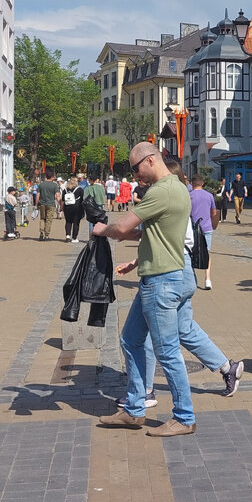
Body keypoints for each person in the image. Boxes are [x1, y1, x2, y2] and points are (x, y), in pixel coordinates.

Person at [116, 158, 243, 412]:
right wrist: (137, 261)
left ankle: (152, 394)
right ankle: (227, 367)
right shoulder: (177, 196)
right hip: (182, 269)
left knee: (156, 340)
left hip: (168, 271)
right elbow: (160, 238)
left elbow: (157, 238)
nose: (143, 179)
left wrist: (105, 231)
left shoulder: (166, 195)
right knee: (184, 329)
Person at [93, 142, 198, 437]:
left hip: (162, 282)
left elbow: (125, 226)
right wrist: (135, 258)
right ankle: (134, 410)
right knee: (130, 340)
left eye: (136, 168)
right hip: (164, 276)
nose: (135, 175)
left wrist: (104, 230)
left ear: (150, 160)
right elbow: (156, 232)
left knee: (166, 352)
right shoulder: (177, 187)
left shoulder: (161, 190)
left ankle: (184, 417)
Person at [189, 175, 220, 289]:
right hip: (206, 227)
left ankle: (192, 278)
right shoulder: (209, 195)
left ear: (192, 184)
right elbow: (214, 212)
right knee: (206, 252)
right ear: (202, 183)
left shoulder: (189, 196)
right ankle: (207, 279)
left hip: (192, 228)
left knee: (190, 252)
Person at [35, 169, 60, 241]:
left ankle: (41, 232)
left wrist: (36, 204)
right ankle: (47, 234)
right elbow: (58, 196)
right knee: (49, 219)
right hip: (51, 204)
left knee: (42, 218)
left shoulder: (41, 185)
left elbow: (37, 195)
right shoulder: (55, 185)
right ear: (52, 177)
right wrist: (60, 205)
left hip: (42, 204)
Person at [62, 176, 84, 242]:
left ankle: (68, 235)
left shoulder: (65, 190)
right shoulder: (79, 189)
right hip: (77, 208)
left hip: (67, 207)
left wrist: (62, 207)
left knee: (68, 222)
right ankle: (74, 237)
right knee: (76, 222)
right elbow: (82, 199)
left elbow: (63, 199)